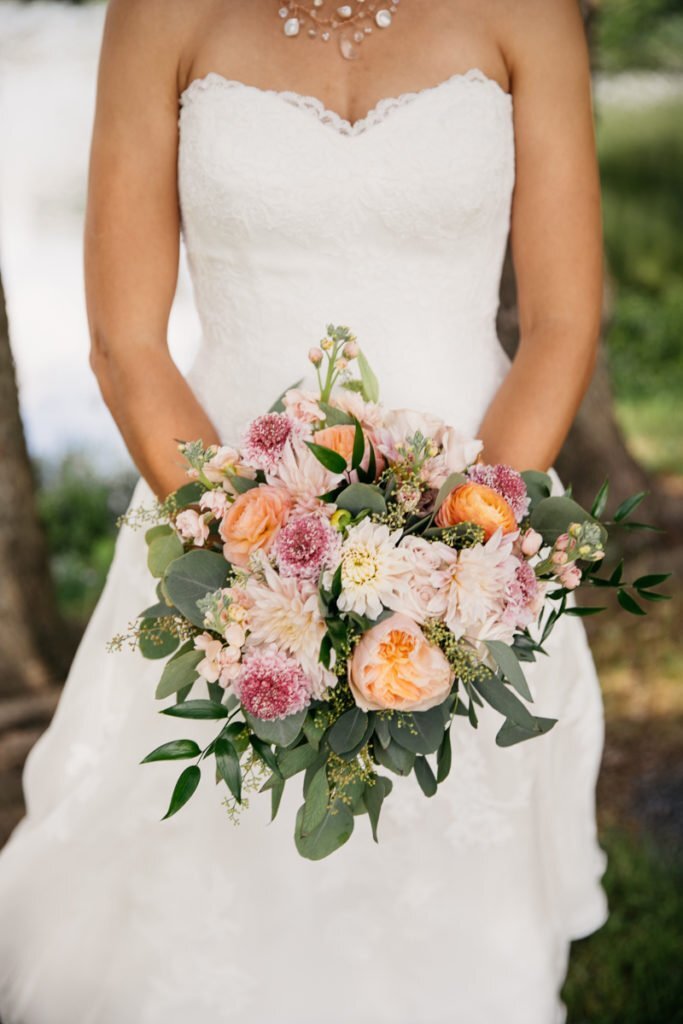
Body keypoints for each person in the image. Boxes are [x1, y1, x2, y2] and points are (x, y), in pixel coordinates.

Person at [0, 1, 608, 1021]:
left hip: (479, 522)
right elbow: (124, 342)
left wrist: (459, 556)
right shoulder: (157, 14)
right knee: (211, 882)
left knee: (451, 899)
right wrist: (245, 562)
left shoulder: (527, 13)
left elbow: (559, 319)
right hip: (221, 529)